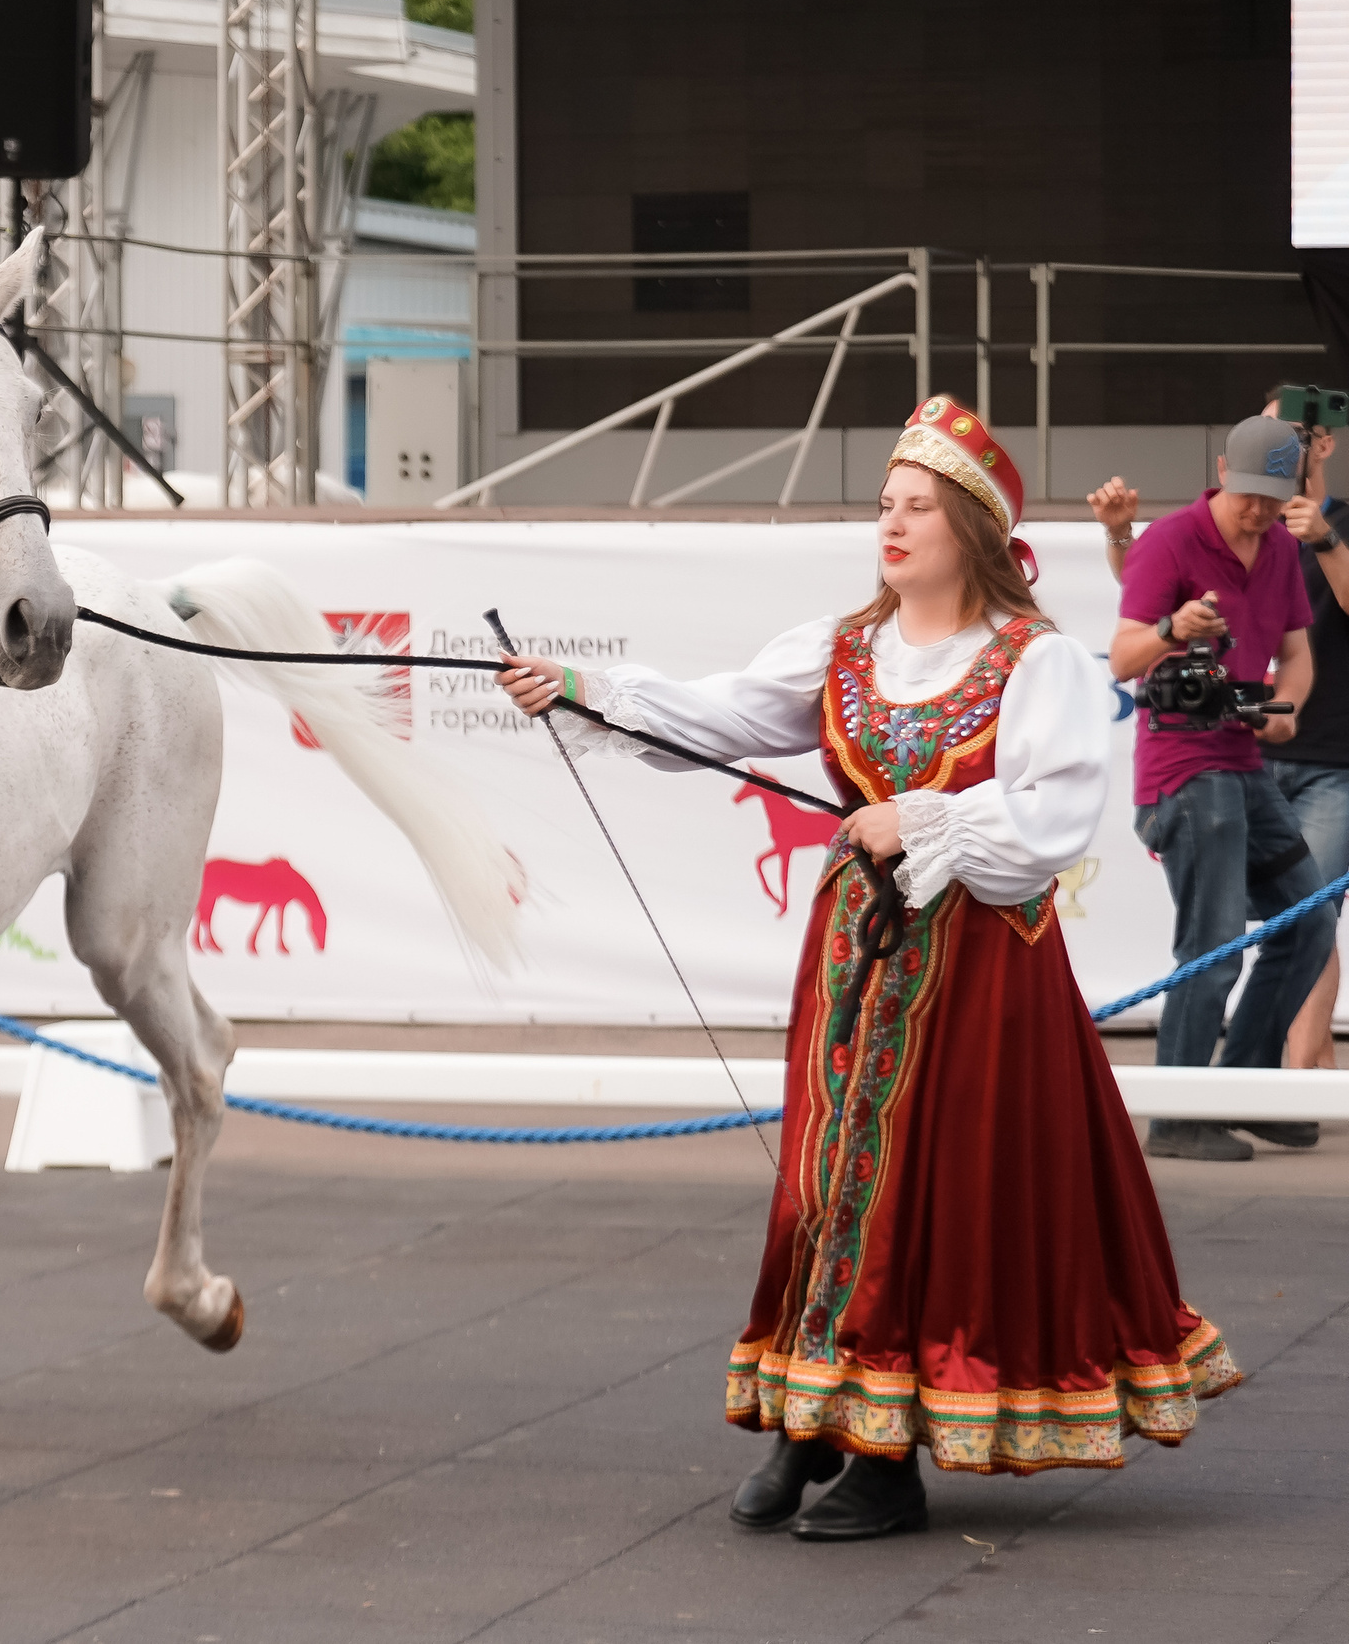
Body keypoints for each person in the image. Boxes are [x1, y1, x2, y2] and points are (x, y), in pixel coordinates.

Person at [497, 398, 1241, 1540]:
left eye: (915, 507)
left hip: (978, 969)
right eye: (883, 505)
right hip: (855, 957)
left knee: (927, 1195)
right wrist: (586, 691)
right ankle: (813, 1422)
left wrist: (923, 818)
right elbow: (723, 716)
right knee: (829, 1180)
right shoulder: (844, 647)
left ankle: (885, 1456)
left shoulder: (1029, 660)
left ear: (972, 528)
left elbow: (1054, 813)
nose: (889, 526)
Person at [1096, 400, 1349, 1093]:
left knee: (1310, 922)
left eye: (1276, 499)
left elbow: (1296, 653)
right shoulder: (1172, 540)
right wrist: (1174, 629)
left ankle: (1247, 1087)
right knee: (1212, 948)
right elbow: (1121, 658)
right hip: (1182, 767)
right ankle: (1184, 1110)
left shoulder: (1279, 551)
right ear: (1219, 473)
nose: (1260, 513)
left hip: (1246, 761)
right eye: (1249, 497)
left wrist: (1284, 711)